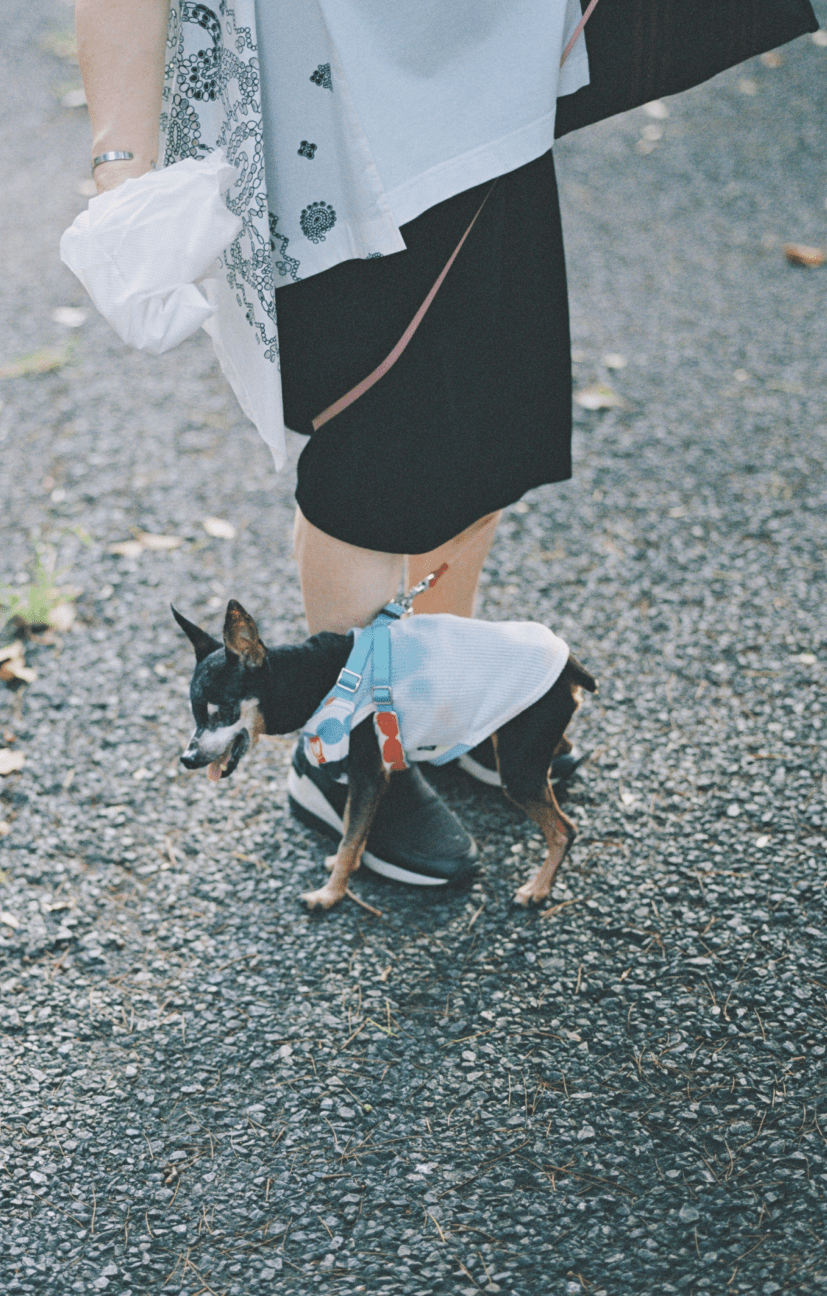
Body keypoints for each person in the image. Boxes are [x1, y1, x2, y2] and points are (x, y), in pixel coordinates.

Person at [72, 0, 818, 888]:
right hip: (329, 117)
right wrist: (123, 164)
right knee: (382, 453)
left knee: (485, 423)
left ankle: (432, 702)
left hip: (487, 81)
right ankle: (344, 752)